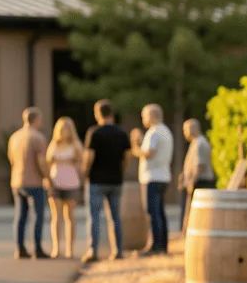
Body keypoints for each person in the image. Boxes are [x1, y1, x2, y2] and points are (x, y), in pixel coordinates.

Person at [82, 99, 130, 263]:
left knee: (94, 216)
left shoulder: (94, 133)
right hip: (116, 180)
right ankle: (117, 250)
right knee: (115, 217)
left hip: (96, 180)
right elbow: (127, 157)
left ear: (98, 114)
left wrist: (85, 173)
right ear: (112, 113)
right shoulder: (122, 133)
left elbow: (89, 157)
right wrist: (121, 171)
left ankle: (92, 250)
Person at [7, 107, 50, 259]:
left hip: (17, 181)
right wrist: (47, 177)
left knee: (20, 216)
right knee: (37, 215)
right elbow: (41, 162)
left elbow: (11, 158)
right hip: (34, 181)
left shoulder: (14, 137)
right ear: (36, 120)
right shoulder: (37, 137)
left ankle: (20, 248)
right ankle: (37, 248)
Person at [131, 103, 173, 256]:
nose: (143, 119)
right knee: (160, 212)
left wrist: (135, 147)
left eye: (144, 115)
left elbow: (149, 152)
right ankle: (162, 245)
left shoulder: (155, 132)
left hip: (153, 177)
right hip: (163, 176)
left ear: (151, 115)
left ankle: (156, 246)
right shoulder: (165, 131)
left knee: (153, 213)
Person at [46, 116, 82, 258]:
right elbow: (47, 164)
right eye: (61, 129)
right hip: (56, 182)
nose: (64, 132)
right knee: (56, 216)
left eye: (66, 129)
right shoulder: (53, 145)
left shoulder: (76, 145)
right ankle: (56, 247)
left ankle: (69, 248)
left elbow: (81, 164)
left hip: (71, 182)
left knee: (70, 216)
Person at [180, 118, 216, 231]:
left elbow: (200, 166)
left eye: (185, 129)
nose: (184, 132)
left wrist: (192, 181)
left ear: (193, 128)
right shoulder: (196, 142)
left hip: (201, 182)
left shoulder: (200, 143)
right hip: (197, 181)